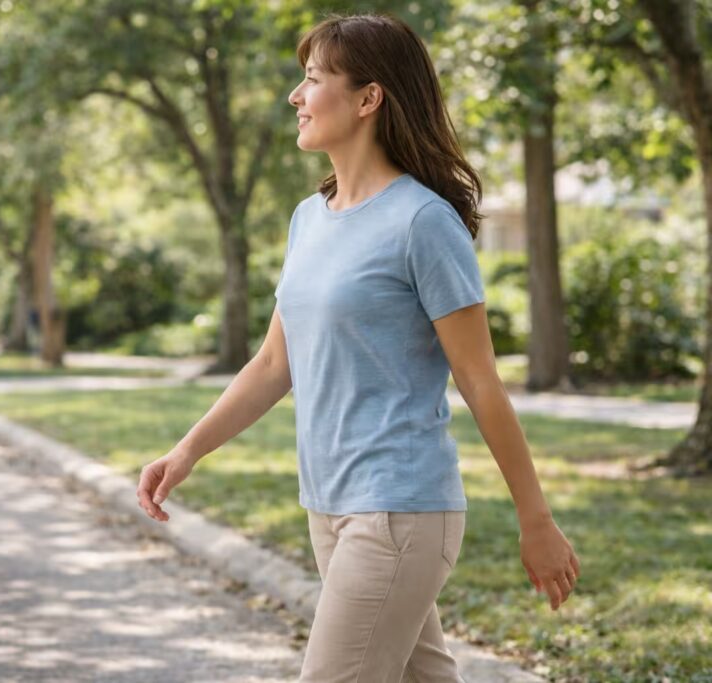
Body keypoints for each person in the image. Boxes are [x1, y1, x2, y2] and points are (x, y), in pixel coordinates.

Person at [137, 11, 581, 683]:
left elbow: (481, 381)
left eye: (313, 79)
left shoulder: (423, 222)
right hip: (328, 501)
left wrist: (536, 519)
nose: (296, 95)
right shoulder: (309, 219)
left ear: (370, 98)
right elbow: (272, 364)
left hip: (398, 506)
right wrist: (187, 449)